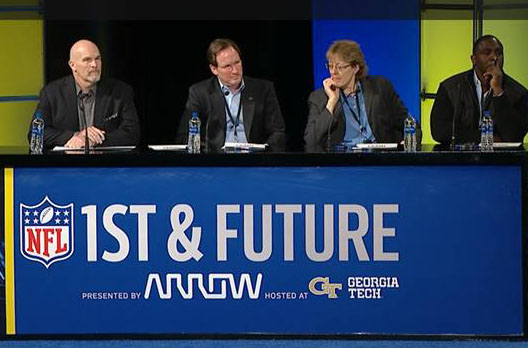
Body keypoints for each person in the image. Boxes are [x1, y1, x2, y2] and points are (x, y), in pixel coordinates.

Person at [304, 40, 419, 152]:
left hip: (379, 160)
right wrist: (332, 102)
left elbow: (410, 123)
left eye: (340, 67)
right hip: (342, 163)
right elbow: (311, 140)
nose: (333, 72)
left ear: (355, 68)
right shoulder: (319, 97)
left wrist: (410, 141)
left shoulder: (380, 88)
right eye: (330, 66)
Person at [176, 38, 286, 152]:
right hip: (216, 162)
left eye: (237, 63)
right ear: (214, 69)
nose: (235, 71)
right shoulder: (200, 92)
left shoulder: (263, 89)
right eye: (227, 66)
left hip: (254, 161)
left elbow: (277, 132)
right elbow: (185, 136)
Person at [29, 39, 140, 149]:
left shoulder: (120, 91)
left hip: (107, 164)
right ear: (73, 65)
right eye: (87, 60)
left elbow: (132, 133)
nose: (94, 65)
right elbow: (36, 134)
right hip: (67, 164)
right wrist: (74, 136)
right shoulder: (52, 93)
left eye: (98, 59)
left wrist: (94, 139)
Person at [431, 35, 528, 145]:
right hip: (460, 158)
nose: (494, 57)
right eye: (487, 53)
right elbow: (439, 131)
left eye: (499, 53)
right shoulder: (450, 87)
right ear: (474, 59)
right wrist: (484, 138)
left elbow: (515, 136)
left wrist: (498, 92)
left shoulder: (518, 93)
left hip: (501, 160)